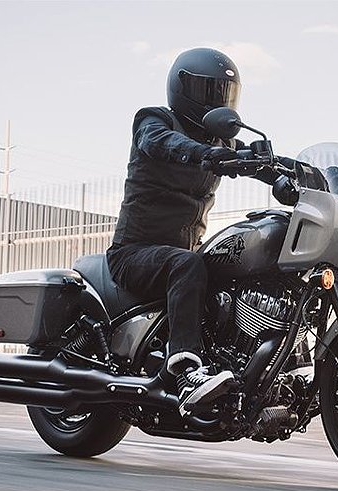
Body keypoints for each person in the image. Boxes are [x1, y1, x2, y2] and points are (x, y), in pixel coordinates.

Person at [106, 47, 242, 416]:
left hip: (180, 255)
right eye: (208, 90)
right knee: (187, 264)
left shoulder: (221, 142)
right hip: (134, 252)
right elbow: (161, 142)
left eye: (224, 93)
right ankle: (185, 370)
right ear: (183, 89)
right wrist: (203, 154)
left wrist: (290, 171)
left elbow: (252, 160)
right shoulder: (154, 121)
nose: (217, 100)